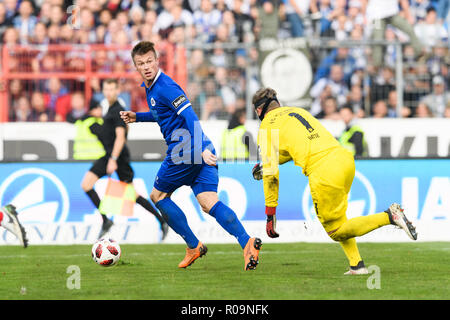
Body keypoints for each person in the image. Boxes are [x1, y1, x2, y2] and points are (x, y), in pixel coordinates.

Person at [120, 41, 262, 270]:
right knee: (208, 202)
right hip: (200, 148)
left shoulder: (166, 86)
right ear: (135, 67)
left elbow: (191, 118)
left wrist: (200, 151)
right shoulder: (152, 87)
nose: (146, 66)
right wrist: (138, 117)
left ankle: (193, 245)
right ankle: (247, 242)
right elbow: (161, 113)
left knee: (158, 196)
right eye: (141, 63)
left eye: (149, 61)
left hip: (185, 150)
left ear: (157, 61)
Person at [251, 87, 417, 275]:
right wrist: (266, 162)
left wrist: (270, 213)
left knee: (336, 230)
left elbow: (271, 176)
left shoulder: (266, 127)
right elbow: (297, 148)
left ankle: (390, 216)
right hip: (344, 160)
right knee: (340, 219)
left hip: (323, 171)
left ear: (259, 111)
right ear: (277, 103)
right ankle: (357, 265)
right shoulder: (297, 111)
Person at [81, 78, 168, 240]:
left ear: (117, 91)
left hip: (118, 158)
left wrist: (113, 159)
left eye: (112, 89)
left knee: (132, 196)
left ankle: (162, 221)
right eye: (106, 90)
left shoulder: (118, 110)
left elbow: (121, 137)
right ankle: (106, 220)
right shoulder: (109, 109)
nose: (108, 93)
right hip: (109, 156)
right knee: (86, 184)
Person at [364, 0, 425, 68]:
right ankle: (377, 64)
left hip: (392, 14)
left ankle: (420, 52)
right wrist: (365, 14)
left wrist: (408, 15)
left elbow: (403, 1)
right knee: (378, 38)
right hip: (377, 16)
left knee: (408, 28)